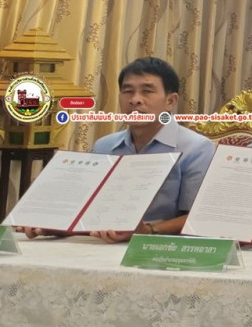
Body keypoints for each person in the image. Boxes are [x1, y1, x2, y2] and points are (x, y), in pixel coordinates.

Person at [17, 56, 214, 241]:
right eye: (127, 91)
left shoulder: (196, 148)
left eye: (147, 91)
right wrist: (53, 224)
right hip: (100, 242)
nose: (135, 99)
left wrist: (148, 231)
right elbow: (86, 208)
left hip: (159, 245)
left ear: (170, 101)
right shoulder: (105, 146)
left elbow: (200, 216)